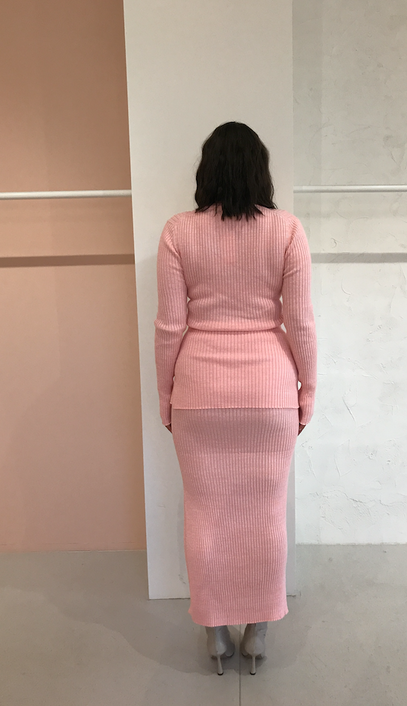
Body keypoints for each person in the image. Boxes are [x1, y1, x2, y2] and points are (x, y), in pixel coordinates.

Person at [154, 121, 317, 675]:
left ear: (207, 170)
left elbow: (169, 327)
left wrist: (165, 395)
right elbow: (301, 322)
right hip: (270, 392)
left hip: (198, 392)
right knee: (266, 514)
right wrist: (308, 390)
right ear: (260, 170)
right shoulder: (287, 230)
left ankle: (216, 633)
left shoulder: (178, 232)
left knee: (205, 513)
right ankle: (259, 633)